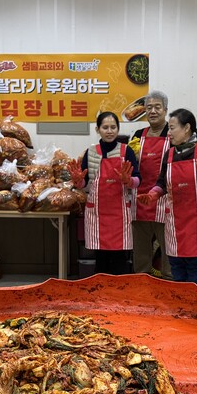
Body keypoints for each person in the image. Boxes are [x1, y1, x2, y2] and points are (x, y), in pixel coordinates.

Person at [137, 109, 197, 287]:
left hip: (196, 222)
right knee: (176, 267)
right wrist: (152, 195)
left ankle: (193, 302)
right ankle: (179, 302)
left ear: (187, 128)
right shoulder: (170, 154)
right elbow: (161, 183)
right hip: (174, 222)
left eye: (172, 128)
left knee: (195, 268)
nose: (168, 133)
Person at [67, 111, 140, 275]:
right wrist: (78, 181)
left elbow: (138, 180)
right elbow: (85, 183)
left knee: (120, 259)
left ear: (118, 129)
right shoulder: (91, 152)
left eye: (113, 127)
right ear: (97, 129)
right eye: (105, 127)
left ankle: (119, 289)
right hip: (97, 214)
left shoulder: (126, 151)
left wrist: (129, 181)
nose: (109, 131)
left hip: (119, 214)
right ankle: (101, 290)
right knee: (101, 259)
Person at [129, 90, 172, 279]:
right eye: (149, 108)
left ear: (165, 110)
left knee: (168, 247)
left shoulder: (173, 133)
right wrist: (132, 157)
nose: (153, 111)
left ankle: (169, 282)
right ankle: (141, 282)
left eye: (157, 107)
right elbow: (130, 166)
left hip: (165, 199)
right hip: (140, 199)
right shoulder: (139, 135)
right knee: (141, 250)